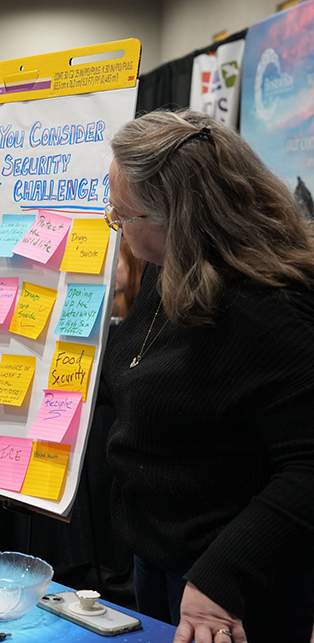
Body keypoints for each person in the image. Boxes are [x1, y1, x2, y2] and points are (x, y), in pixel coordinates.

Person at [101, 109, 314, 643]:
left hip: (232, 589)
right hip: (160, 559)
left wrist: (223, 575)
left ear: (178, 219)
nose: (115, 223)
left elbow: (308, 467)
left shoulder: (272, 311)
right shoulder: (171, 270)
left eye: (122, 216)